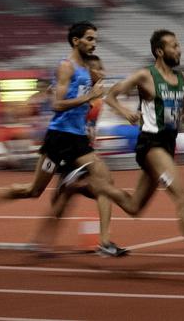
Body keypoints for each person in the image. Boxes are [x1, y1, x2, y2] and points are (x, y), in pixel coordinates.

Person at [0, 22, 136, 254]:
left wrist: (92, 96)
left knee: (104, 180)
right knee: (34, 190)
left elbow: (74, 95)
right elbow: (57, 105)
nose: (94, 43)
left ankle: (105, 242)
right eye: (89, 39)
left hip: (77, 140)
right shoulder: (66, 66)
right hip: (59, 138)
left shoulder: (85, 70)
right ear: (76, 41)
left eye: (95, 39)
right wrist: (88, 96)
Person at [99, 29, 184, 279]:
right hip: (150, 144)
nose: (179, 50)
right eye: (174, 46)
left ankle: (95, 186)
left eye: (179, 45)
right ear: (160, 51)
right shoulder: (145, 75)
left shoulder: (182, 78)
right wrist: (126, 113)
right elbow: (110, 96)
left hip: (168, 144)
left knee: (134, 207)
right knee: (183, 198)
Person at [34, 54, 127, 257]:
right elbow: (62, 106)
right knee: (56, 198)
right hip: (68, 150)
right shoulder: (87, 96)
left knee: (96, 189)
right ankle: (42, 243)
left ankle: (102, 241)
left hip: (81, 152)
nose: (103, 73)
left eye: (103, 69)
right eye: (99, 69)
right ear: (88, 71)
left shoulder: (95, 96)